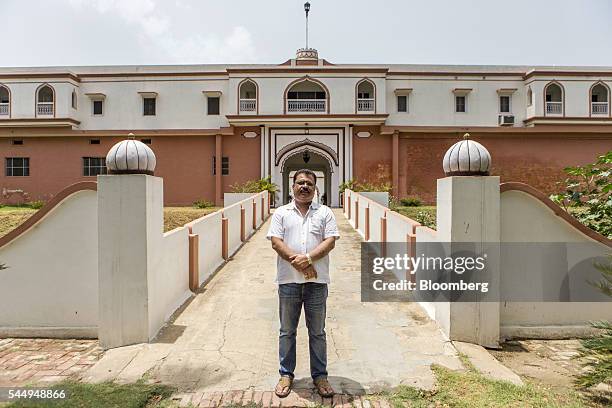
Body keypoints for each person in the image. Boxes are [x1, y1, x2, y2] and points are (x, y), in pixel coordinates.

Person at [267, 169, 340, 398]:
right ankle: (286, 374)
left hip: (317, 283)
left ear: (315, 188)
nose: (304, 186)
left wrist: (308, 259)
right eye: (300, 183)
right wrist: (298, 263)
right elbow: (276, 242)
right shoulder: (281, 213)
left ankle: (320, 376)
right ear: (293, 187)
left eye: (309, 183)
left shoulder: (325, 212)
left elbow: (330, 242)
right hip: (288, 282)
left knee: (317, 332)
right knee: (287, 331)